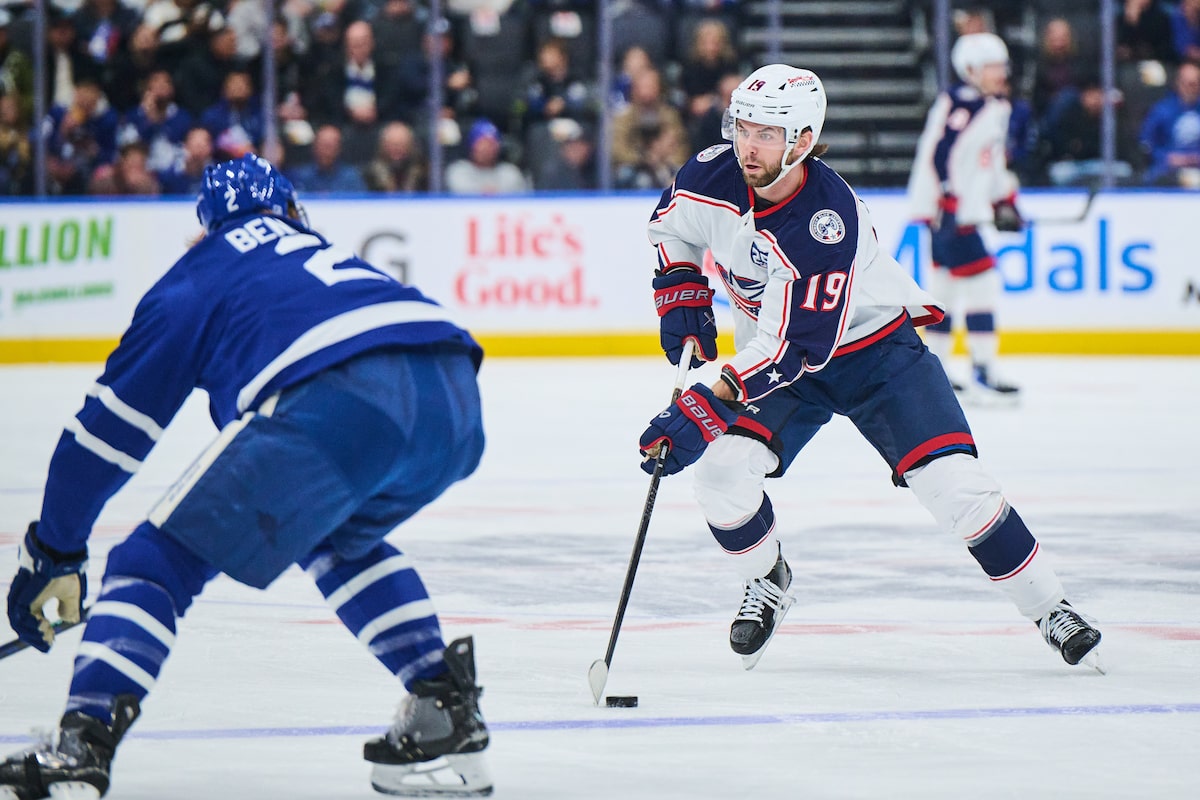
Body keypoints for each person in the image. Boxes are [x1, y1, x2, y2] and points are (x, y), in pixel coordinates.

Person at [1, 154, 493, 798]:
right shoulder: (320, 252)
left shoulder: (197, 276)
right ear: (290, 209)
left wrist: (55, 550)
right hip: (455, 396)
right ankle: (444, 708)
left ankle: (81, 747)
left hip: (342, 396)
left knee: (151, 563)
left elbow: (104, 436)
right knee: (335, 536)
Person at [637, 64, 1102, 676]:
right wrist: (680, 287)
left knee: (955, 486)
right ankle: (767, 579)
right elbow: (672, 228)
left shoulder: (827, 221)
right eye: (742, 127)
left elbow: (793, 346)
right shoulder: (710, 173)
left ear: (802, 140)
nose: (748, 146)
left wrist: (706, 403)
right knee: (721, 475)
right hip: (778, 361)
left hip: (875, 355)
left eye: (766, 134)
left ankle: (1049, 607)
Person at [907, 32, 1024, 402]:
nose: (1000, 73)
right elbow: (941, 155)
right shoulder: (960, 105)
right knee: (982, 283)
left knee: (944, 289)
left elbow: (990, 163)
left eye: (1001, 65)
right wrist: (949, 199)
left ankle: (935, 371)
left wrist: (1005, 200)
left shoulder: (993, 107)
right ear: (971, 69)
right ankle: (983, 370)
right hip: (951, 214)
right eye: (992, 66)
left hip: (955, 213)